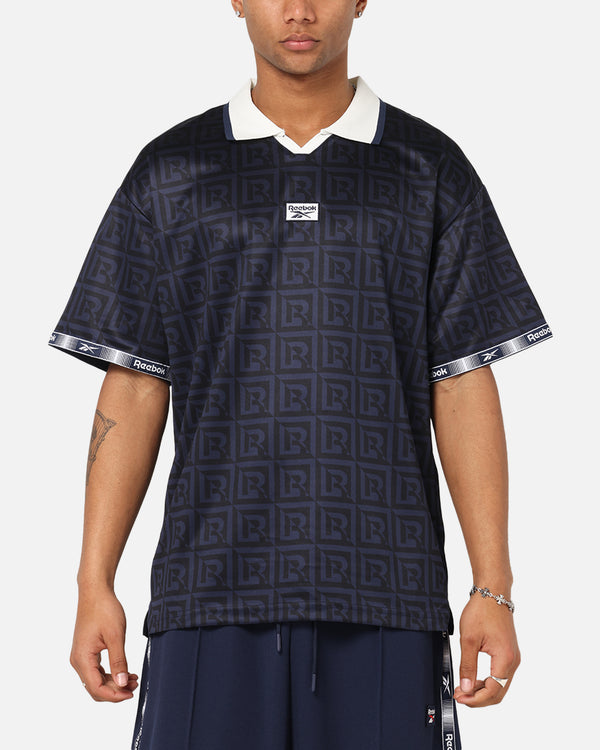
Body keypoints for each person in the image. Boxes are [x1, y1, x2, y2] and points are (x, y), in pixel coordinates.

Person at [49, 1, 552, 748]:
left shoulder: (429, 168)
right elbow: (135, 381)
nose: (299, 10)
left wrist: (493, 589)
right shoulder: (172, 171)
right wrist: (94, 582)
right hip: (205, 591)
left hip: (387, 594)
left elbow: (461, 380)